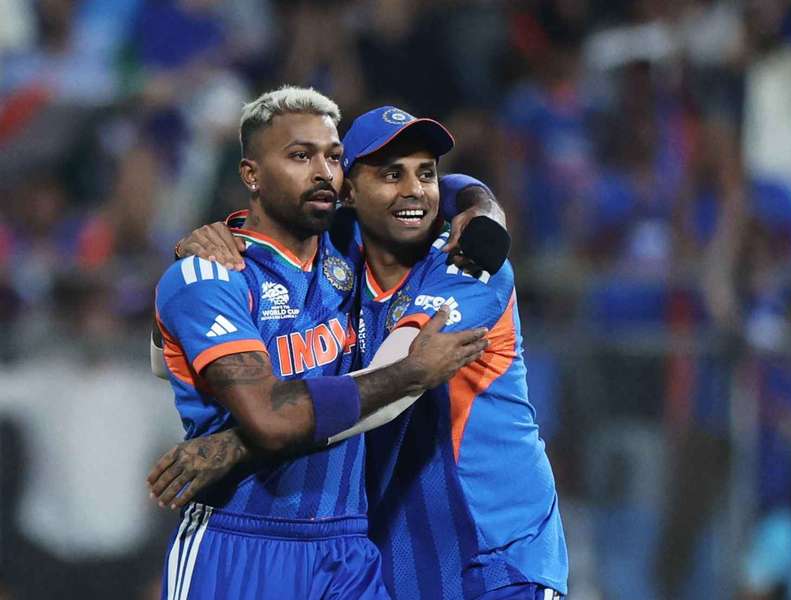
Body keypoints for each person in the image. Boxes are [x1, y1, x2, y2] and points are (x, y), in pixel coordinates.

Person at [150, 105, 568, 599]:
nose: (413, 190)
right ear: (348, 192)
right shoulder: (338, 257)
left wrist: (240, 443)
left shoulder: (469, 267)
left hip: (496, 556)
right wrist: (196, 266)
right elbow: (166, 361)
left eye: (426, 174)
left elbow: (397, 384)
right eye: (391, 174)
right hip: (394, 554)